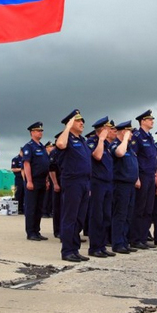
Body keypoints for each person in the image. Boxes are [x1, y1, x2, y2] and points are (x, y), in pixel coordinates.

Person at [56, 109, 92, 262]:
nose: (82, 123)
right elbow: (60, 144)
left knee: (79, 218)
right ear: (70, 123)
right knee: (70, 217)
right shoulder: (66, 138)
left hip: (84, 182)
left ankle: (75, 249)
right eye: (78, 120)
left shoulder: (82, 140)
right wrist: (68, 127)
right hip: (72, 182)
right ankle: (67, 250)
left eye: (82, 120)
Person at [86, 117, 116, 257]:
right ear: (102, 130)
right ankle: (94, 247)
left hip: (108, 183)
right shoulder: (92, 142)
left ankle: (102, 245)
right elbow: (97, 156)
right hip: (97, 183)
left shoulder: (108, 146)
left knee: (106, 216)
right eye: (108, 129)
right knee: (96, 216)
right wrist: (101, 140)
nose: (111, 131)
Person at [109, 120, 139, 254]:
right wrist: (125, 138)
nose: (132, 134)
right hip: (120, 184)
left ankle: (124, 241)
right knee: (120, 214)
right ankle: (117, 243)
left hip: (130, 184)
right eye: (129, 131)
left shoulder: (130, 148)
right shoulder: (116, 144)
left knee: (128, 215)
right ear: (123, 131)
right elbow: (119, 153)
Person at [130, 110, 157, 249]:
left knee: (148, 209)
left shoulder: (150, 137)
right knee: (139, 208)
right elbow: (133, 157)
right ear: (142, 121)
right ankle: (135, 238)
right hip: (142, 175)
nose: (152, 121)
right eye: (149, 119)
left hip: (151, 175)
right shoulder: (137, 136)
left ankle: (143, 237)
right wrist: (136, 177)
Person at [22, 122, 50, 241]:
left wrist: (47, 180)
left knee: (39, 208)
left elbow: (46, 165)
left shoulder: (42, 147)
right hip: (33, 180)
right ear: (32, 133)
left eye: (41, 131)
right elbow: (27, 164)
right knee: (31, 207)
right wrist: (29, 181)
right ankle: (30, 232)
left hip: (42, 181)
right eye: (38, 131)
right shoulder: (29, 147)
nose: (40, 133)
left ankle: (37, 231)